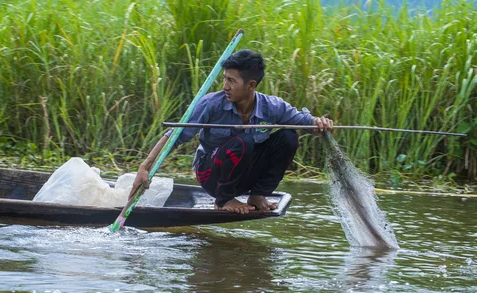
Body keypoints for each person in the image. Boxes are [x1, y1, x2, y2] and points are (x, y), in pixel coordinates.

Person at [130, 49, 334, 214]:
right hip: (211, 174)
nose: (225, 86)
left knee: (288, 137)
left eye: (232, 81)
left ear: (251, 85)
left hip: (244, 175)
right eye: (225, 79)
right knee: (242, 141)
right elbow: (174, 136)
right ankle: (224, 200)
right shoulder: (211, 104)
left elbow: (302, 121)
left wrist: (319, 122)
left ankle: (258, 194)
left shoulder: (272, 106)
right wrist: (145, 167)